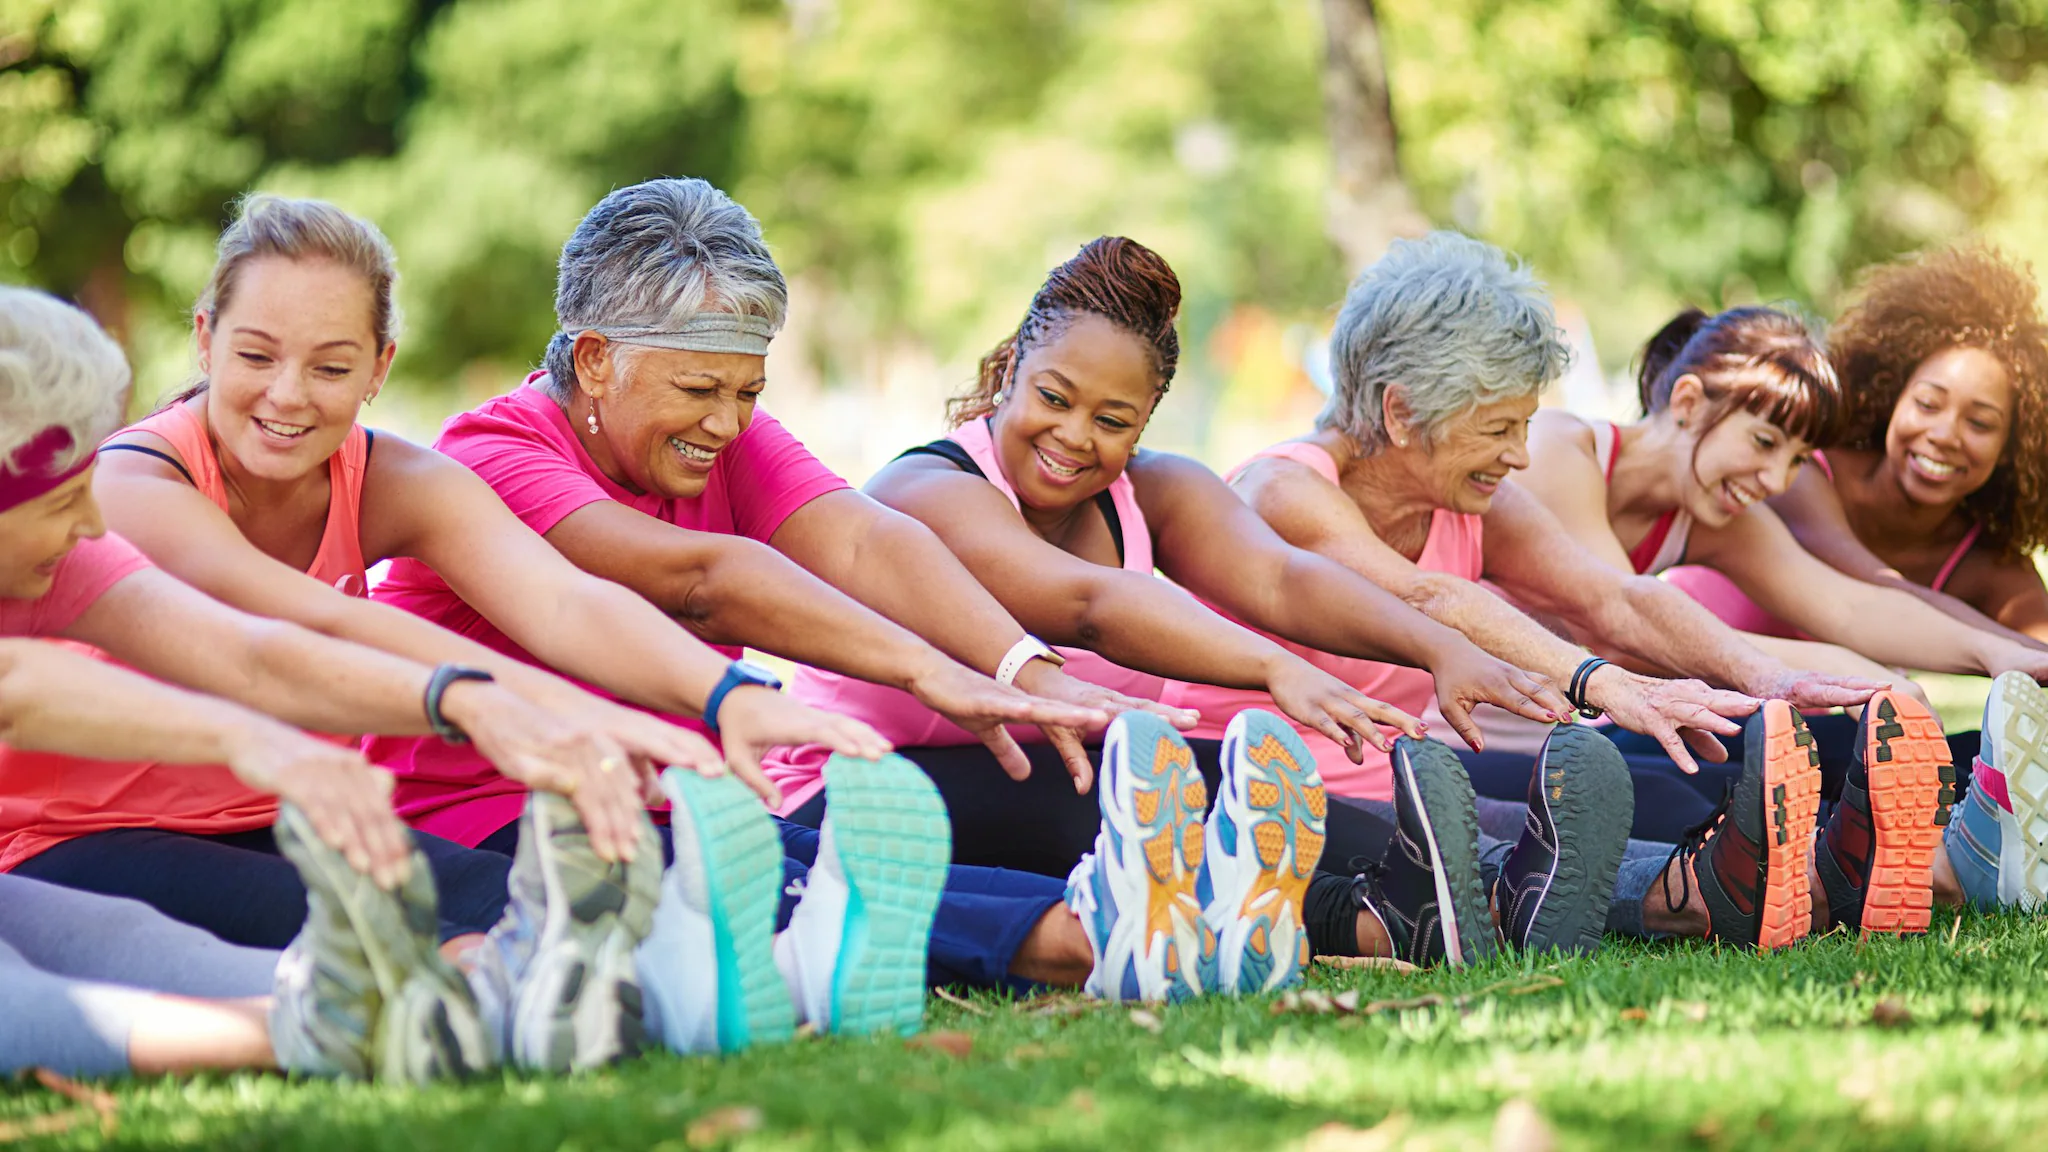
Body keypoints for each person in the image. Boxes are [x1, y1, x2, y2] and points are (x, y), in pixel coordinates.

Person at [371, 178, 1328, 1014]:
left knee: (839, 868)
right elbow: (701, 582)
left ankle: (1153, 922)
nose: (727, 423)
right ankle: (1098, 941)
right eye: (700, 388)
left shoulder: (726, 442)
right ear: (592, 361)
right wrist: (926, 669)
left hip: (680, 801)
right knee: (788, 893)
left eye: (748, 392)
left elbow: (865, 538)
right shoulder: (493, 453)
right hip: (491, 820)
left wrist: (1017, 668)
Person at [69, 194, 929, 1072]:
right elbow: (312, 623)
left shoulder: (390, 477)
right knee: (441, 942)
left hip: (295, 816)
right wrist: (517, 708)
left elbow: (561, 604)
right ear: (205, 339)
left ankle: (745, 974)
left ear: (379, 368)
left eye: (331, 367)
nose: (288, 395)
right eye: (257, 356)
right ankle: (647, 989)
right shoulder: (135, 484)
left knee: (540, 909)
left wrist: (722, 696)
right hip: (84, 837)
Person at [773, 234, 1695, 963]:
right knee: (1132, 779)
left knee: (1211, 779)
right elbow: (1086, 604)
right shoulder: (929, 490)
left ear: (1146, 419)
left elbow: (1283, 577)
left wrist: (1436, 646)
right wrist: (1273, 668)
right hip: (847, 795)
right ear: (1013, 366)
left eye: (1112, 420)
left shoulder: (1155, 490)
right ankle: (1462, 900)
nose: (1074, 437)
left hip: (1047, 777)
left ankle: (1517, 894)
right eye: (1054, 397)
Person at [1220, 233, 1945, 953]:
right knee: (1509, 854)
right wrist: (1601, 682)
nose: (1519, 455)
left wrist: (1767, 678)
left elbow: (1615, 599)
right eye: (1499, 429)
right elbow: (1424, 599)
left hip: (1393, 774)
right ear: (1401, 413)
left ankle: (1818, 876)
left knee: (1621, 807)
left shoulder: (1476, 504)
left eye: (1525, 426)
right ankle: (1730, 892)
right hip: (1262, 786)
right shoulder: (1285, 489)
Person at [0, 287, 523, 1081]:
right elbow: (21, 685)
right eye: (67, 498)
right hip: (64, 844)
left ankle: (396, 1012)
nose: (94, 523)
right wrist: (250, 737)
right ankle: (317, 1032)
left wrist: (464, 699)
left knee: (136, 946)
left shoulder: (70, 560)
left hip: (72, 875)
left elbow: (250, 655)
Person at [1660, 247, 2048, 910]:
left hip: (1823, 741)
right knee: (1858, 746)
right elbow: (1864, 589)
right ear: (1892, 392)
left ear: (2015, 446)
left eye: (1981, 423)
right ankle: (1933, 853)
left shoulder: (1988, 562)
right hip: (1707, 720)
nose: (1945, 434)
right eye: (1928, 403)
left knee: (1951, 754)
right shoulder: (1800, 469)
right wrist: (2000, 651)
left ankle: (1974, 845)